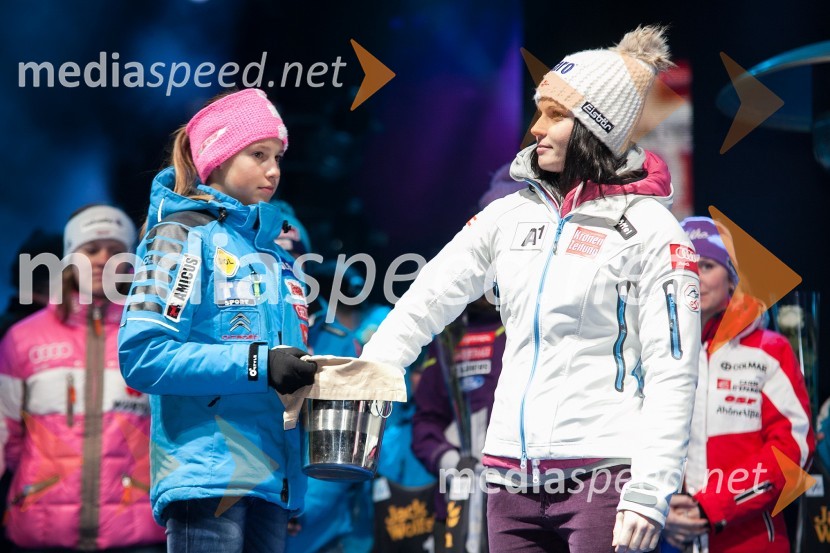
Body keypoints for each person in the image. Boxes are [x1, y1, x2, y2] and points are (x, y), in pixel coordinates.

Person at [361, 25, 700, 553]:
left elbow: (673, 372)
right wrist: (374, 368)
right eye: (540, 111)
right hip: (507, 482)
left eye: (557, 115)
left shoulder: (653, 231)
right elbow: (426, 298)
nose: (537, 128)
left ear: (598, 127)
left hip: (604, 477)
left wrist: (649, 492)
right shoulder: (508, 215)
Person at [117, 88, 318, 553]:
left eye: (279, 156)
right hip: (209, 476)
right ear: (218, 157)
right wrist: (259, 364)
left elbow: (283, 368)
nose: (274, 170)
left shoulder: (274, 255)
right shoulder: (181, 235)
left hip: (273, 478)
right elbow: (143, 356)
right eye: (258, 154)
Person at [0, 205, 166, 551]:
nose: (103, 259)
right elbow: (7, 437)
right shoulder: (22, 339)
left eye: (116, 250)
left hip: (136, 534)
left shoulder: (153, 338)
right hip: (41, 532)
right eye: (90, 249)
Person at [661, 217, 815, 552]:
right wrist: (656, 509)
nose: (693, 275)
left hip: (751, 541)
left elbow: (795, 450)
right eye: (683, 264)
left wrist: (712, 506)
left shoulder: (769, 351)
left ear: (732, 279)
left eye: (706, 265)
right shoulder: (652, 354)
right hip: (664, 538)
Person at [412, 297, 505, 553]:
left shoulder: (528, 328)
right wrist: (449, 461)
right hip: (460, 500)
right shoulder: (447, 338)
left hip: (525, 492)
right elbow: (425, 421)